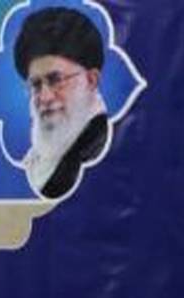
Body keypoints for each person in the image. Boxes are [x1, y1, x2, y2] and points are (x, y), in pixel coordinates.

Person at [14, 7, 109, 199]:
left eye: (55, 80)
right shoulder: (37, 159)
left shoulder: (102, 151)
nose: (45, 97)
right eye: (36, 85)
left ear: (91, 80)